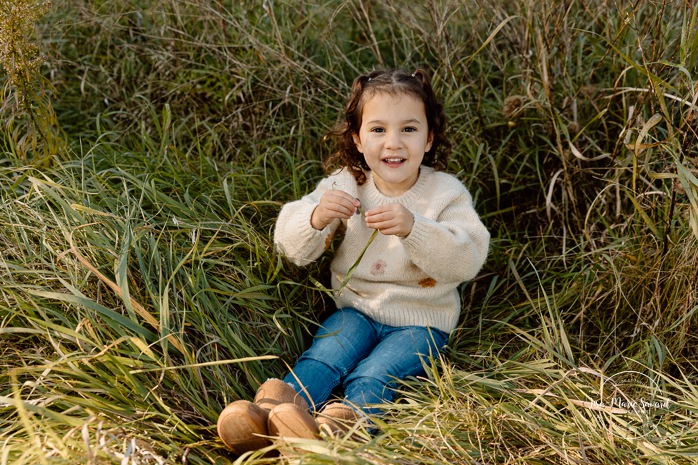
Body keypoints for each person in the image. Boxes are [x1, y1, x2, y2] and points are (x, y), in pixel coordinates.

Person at [216, 68, 490, 456]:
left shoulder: (444, 192)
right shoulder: (348, 182)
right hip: (356, 308)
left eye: (409, 129)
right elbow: (288, 244)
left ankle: (344, 426)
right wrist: (316, 217)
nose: (393, 143)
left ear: (429, 138)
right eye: (378, 130)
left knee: (375, 372)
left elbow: (468, 257)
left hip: (421, 320)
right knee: (325, 355)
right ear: (358, 139)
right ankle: (272, 413)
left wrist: (416, 228)